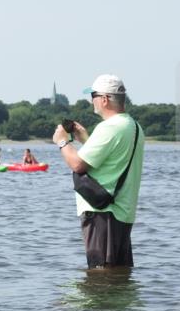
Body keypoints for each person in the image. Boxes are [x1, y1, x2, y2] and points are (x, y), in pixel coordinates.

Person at [54, 74, 144, 268]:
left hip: (103, 213)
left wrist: (62, 141)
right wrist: (86, 139)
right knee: (118, 274)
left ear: (104, 99)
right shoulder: (134, 126)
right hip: (123, 212)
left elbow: (77, 164)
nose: (91, 101)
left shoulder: (109, 127)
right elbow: (110, 159)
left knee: (99, 273)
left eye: (93, 96)